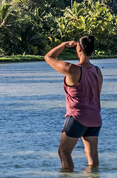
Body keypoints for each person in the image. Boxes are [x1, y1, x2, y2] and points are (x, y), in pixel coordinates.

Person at [44, 35, 103, 170]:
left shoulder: (73, 69)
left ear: (79, 49)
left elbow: (48, 58)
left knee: (64, 152)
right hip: (95, 118)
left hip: (77, 117)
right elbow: (96, 95)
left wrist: (64, 45)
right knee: (92, 155)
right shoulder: (97, 71)